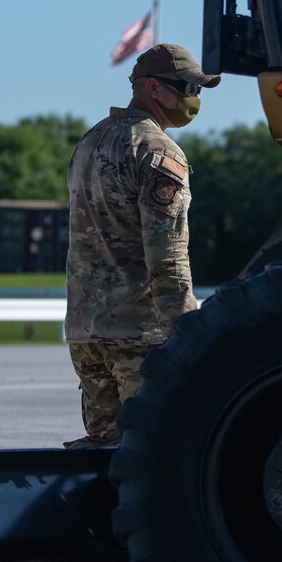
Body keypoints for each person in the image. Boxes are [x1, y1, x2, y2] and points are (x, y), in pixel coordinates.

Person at [62, 42, 219, 448]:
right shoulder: (157, 151)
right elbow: (167, 259)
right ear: (152, 88)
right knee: (157, 452)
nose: (195, 99)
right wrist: (190, 338)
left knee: (106, 452)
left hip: (86, 331)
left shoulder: (89, 142)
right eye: (187, 88)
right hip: (139, 336)